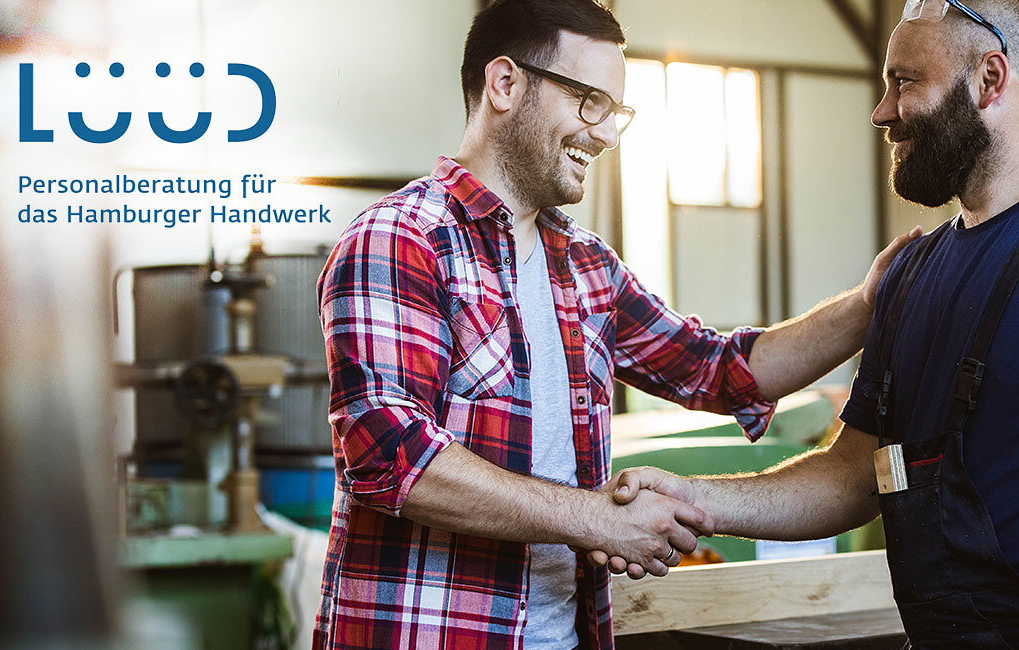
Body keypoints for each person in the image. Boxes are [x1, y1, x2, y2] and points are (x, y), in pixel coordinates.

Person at [593, 0, 1019, 647]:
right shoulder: (909, 275)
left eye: (903, 83)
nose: (882, 112)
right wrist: (693, 498)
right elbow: (853, 472)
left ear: (989, 79)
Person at [312, 0, 919, 648]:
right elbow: (390, 455)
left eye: (615, 112)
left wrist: (867, 302)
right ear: (505, 84)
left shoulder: (586, 266)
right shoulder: (399, 239)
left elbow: (724, 371)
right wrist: (595, 520)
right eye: (588, 102)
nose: (604, 134)